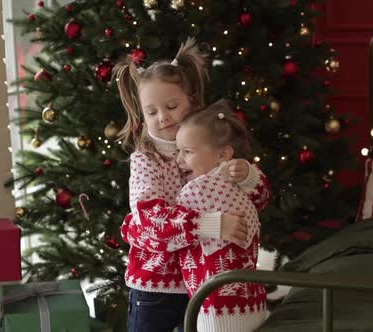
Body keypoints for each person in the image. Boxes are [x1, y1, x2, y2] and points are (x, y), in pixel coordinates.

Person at [113, 38, 270, 332]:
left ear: (192, 102)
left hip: (205, 285)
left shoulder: (211, 146)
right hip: (156, 289)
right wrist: (208, 225)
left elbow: (255, 202)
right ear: (141, 115)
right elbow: (147, 222)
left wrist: (248, 176)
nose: (163, 117)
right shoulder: (146, 160)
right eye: (152, 112)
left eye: (172, 106)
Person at [175, 100, 267, 332]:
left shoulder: (196, 190)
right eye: (178, 151)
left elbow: (171, 231)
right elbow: (263, 196)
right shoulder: (238, 184)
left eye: (187, 152)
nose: (178, 160)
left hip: (213, 308)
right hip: (251, 301)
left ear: (222, 154)